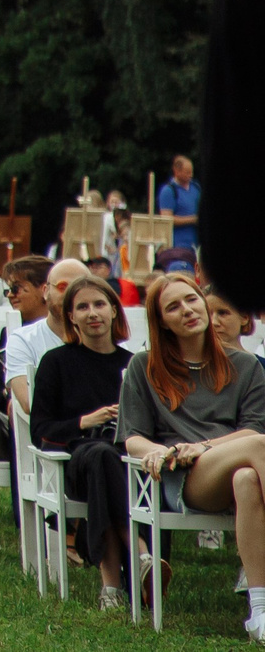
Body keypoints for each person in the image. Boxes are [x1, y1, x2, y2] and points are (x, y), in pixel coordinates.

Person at [122, 271, 265, 640]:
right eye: (173, 307)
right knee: (258, 450)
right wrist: (162, 452)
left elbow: (252, 428)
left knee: (248, 479)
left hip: (235, 468)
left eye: (191, 299)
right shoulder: (144, 366)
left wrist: (204, 446)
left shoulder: (245, 366)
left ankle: (259, 613)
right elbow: (132, 438)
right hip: (182, 477)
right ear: (162, 322)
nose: (187, 310)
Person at [29, 275, 132, 611]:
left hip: (127, 458)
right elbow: (40, 428)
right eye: (82, 307)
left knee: (110, 458)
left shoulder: (134, 365)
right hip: (75, 463)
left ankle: (113, 590)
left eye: (100, 304)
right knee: (100, 456)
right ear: (70, 317)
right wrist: (85, 422)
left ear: (114, 311)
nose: (92, 313)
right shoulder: (56, 363)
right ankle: (140, 552)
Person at [5, 256, 89, 414]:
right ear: (46, 291)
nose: (71, 294)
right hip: (52, 435)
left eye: (79, 287)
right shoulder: (23, 340)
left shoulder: (105, 337)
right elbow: (29, 402)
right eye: (63, 287)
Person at [157, 154, 200, 252]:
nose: (191, 175)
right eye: (187, 172)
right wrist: (192, 219)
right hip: (178, 244)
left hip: (196, 243)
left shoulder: (196, 188)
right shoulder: (169, 191)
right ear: (176, 171)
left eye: (191, 172)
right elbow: (167, 219)